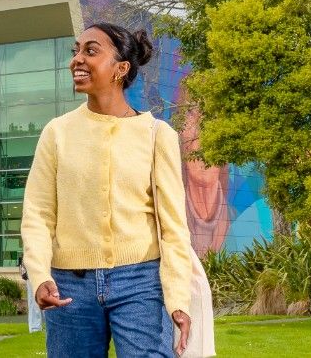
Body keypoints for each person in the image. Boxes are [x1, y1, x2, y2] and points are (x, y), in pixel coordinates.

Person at [20, 23, 194, 357]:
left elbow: (173, 229)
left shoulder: (157, 135)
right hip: (68, 285)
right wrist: (40, 275)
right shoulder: (57, 133)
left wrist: (178, 301)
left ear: (121, 68)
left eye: (91, 50)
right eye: (76, 51)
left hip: (141, 283)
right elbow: (38, 215)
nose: (77, 60)